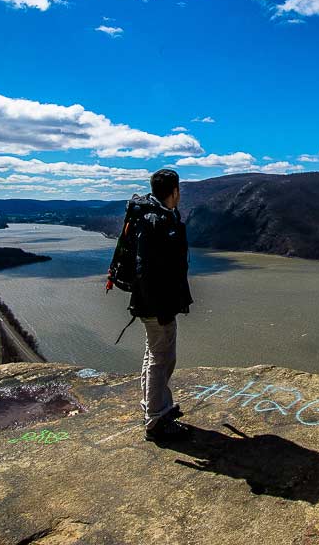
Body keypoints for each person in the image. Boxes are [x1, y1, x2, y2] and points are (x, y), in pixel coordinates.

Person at [127, 168, 194, 442]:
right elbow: (147, 269)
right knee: (161, 358)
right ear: (174, 191)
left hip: (151, 303)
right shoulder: (158, 221)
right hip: (157, 305)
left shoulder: (149, 215)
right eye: (179, 190)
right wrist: (160, 307)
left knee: (153, 354)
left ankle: (153, 408)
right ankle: (156, 419)